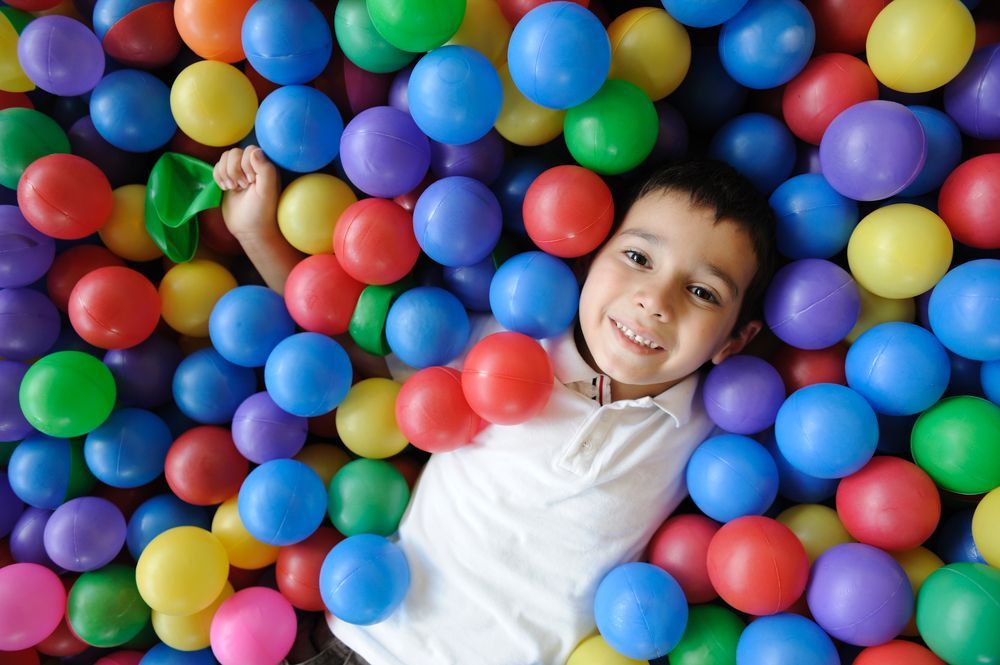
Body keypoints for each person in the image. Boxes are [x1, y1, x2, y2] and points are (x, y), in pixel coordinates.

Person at [213, 146, 777, 665]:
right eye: (637, 257)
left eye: (703, 292)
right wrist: (257, 232)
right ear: (586, 259)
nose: (655, 301)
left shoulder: (710, 427)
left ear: (735, 341)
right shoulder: (504, 348)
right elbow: (340, 360)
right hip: (367, 644)